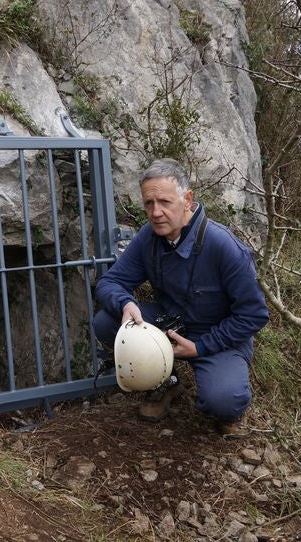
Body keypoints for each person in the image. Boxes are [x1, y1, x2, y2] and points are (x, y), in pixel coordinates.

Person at [94, 158, 269, 437]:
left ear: (187, 200)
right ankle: (166, 382)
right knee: (107, 322)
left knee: (223, 401)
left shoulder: (223, 246)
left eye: (164, 202)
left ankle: (228, 408)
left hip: (217, 336)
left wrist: (200, 347)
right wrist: (125, 303)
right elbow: (109, 282)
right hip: (170, 324)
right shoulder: (149, 237)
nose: (156, 212)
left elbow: (254, 315)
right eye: (149, 203)